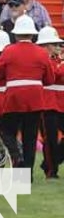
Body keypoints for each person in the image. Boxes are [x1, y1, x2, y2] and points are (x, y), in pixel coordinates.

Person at [0, 14, 55, 179]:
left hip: (13, 97)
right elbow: (50, 79)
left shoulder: (8, 51)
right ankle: (27, 176)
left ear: (15, 33)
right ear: (33, 34)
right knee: (30, 136)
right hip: (35, 98)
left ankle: (16, 155)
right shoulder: (41, 53)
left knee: (6, 132)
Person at [35, 27, 64, 179]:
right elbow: (55, 74)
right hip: (46, 102)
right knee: (50, 138)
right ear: (45, 45)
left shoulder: (58, 59)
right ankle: (51, 171)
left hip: (61, 101)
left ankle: (51, 162)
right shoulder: (41, 60)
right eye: (54, 44)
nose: (58, 47)